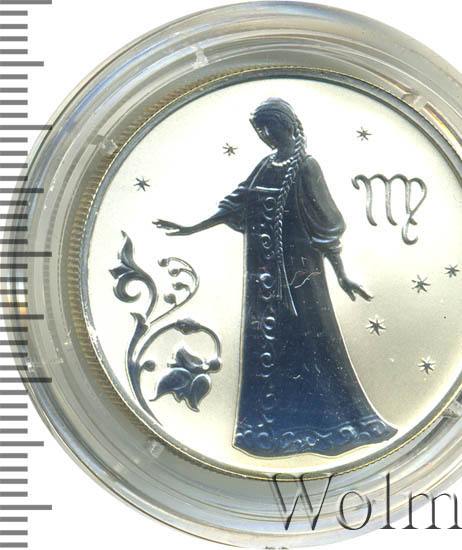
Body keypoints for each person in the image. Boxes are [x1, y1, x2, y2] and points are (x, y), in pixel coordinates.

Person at [154, 98, 396, 457]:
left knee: (311, 342)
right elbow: (234, 204)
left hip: (301, 277)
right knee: (267, 346)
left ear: (286, 124)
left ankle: (333, 429)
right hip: (263, 281)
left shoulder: (307, 167)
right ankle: (270, 433)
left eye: (269, 127)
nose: (265, 135)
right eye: (260, 130)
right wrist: (191, 228)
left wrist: (342, 274)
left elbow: (328, 225)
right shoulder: (266, 166)